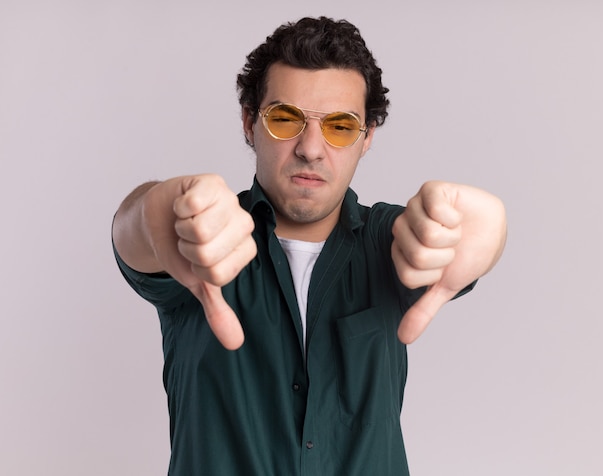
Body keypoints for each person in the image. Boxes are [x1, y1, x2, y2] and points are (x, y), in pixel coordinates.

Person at [112, 16, 506, 476]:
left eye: (340, 126)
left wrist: (488, 227)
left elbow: (465, 240)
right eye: (284, 119)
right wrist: (154, 213)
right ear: (248, 122)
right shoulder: (198, 238)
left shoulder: (394, 242)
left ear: (367, 139)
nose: (312, 149)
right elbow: (135, 230)